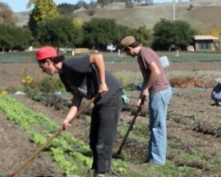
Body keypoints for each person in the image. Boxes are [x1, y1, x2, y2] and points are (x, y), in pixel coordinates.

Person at [34, 46, 122, 177]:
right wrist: (67, 119)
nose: (43, 71)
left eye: (42, 67)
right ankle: (97, 172)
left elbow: (98, 57)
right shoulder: (64, 76)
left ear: (48, 61)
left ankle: (100, 174)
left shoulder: (71, 65)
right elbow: (77, 97)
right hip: (100, 101)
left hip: (111, 96)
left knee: (103, 139)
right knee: (93, 139)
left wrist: (102, 83)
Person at [120, 36, 172, 165]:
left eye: (126, 52)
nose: (127, 54)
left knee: (157, 126)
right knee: (155, 125)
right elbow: (148, 76)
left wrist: (146, 89)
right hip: (159, 91)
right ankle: (153, 157)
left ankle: (157, 160)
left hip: (159, 91)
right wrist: (143, 94)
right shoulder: (146, 52)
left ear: (130, 48)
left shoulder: (144, 53)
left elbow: (155, 71)